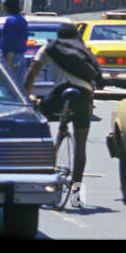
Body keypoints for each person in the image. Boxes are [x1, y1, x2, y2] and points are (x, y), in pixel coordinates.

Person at [24, 22, 102, 209]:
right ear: (75, 37)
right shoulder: (83, 50)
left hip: (61, 93)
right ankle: (77, 196)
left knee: (40, 118)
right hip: (83, 94)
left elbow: (32, 73)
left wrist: (28, 97)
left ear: (58, 36)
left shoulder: (49, 48)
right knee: (81, 144)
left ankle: (43, 175)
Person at [0, 0, 29, 84]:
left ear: (6, 7)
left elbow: (10, 41)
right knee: (20, 85)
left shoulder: (10, 20)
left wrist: (9, 61)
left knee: (10, 85)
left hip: (12, 57)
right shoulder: (22, 19)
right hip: (21, 56)